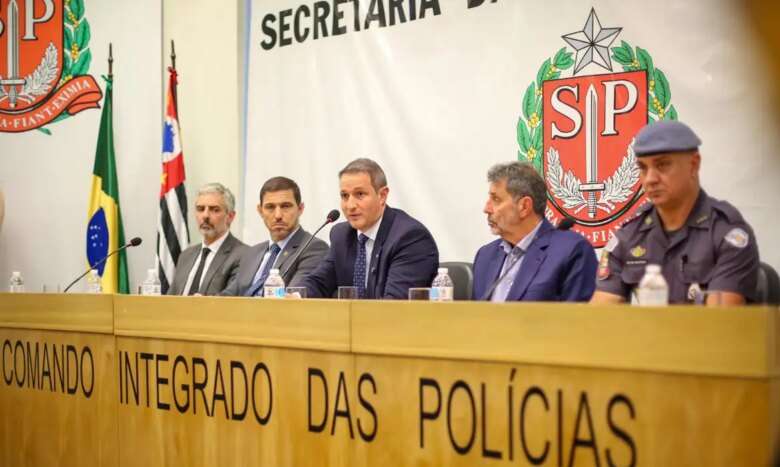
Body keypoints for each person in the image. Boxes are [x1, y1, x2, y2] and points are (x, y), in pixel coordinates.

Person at [591, 120, 760, 305]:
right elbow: (600, 316)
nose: (650, 179)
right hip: (644, 333)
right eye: (643, 167)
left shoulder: (727, 234)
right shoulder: (629, 236)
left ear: (694, 165)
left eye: (662, 165)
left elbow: (719, 324)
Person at [303, 158, 439, 299]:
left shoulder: (409, 238)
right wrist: (296, 296)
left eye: (360, 194)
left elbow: (396, 304)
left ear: (382, 196)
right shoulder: (341, 235)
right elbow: (318, 282)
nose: (350, 205)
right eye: (345, 196)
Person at [473, 161, 597, 302]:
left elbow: (579, 320)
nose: (486, 209)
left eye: (496, 199)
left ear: (524, 206)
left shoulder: (571, 251)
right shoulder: (485, 256)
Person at [222, 177, 328, 296]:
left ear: (300, 209)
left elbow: (293, 296)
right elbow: (230, 294)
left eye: (285, 206)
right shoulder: (252, 252)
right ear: (260, 211)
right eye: (270, 207)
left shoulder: (312, 248)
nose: (278, 215)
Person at [167, 183, 247, 295]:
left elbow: (231, 302)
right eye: (200, 209)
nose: (205, 215)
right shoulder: (186, 255)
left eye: (215, 210)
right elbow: (170, 299)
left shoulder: (244, 256)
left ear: (230, 217)